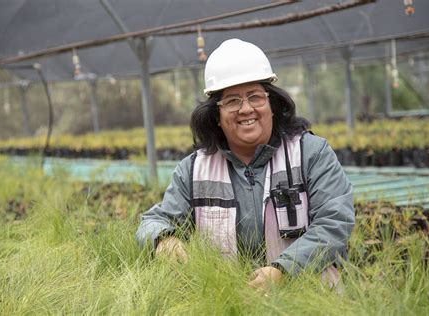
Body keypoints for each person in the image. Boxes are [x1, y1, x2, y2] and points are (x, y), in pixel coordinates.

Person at [136, 39, 354, 292]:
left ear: (272, 105)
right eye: (232, 101)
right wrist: (164, 239)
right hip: (229, 302)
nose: (246, 109)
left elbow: (335, 222)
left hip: (311, 299)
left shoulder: (311, 153)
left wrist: (284, 269)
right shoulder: (193, 169)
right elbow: (152, 220)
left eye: (255, 97)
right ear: (216, 116)